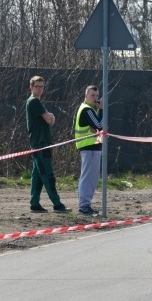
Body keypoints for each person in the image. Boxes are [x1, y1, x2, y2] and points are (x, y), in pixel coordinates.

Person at [26, 76, 71, 213]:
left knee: (38, 176)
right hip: (40, 144)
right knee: (47, 175)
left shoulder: (37, 102)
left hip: (41, 143)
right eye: (37, 86)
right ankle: (57, 204)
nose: (40, 89)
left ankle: (34, 203)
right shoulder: (33, 101)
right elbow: (48, 118)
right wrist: (50, 116)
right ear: (31, 87)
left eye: (42, 86)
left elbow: (51, 121)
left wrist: (50, 117)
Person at [74, 85, 104, 215]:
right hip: (89, 147)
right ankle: (84, 205)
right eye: (92, 95)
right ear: (86, 96)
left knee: (92, 178)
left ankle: (86, 204)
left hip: (93, 147)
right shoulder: (87, 110)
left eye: (97, 96)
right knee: (88, 177)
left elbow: (97, 127)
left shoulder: (90, 110)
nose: (95, 98)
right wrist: (102, 110)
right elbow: (100, 126)